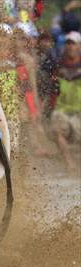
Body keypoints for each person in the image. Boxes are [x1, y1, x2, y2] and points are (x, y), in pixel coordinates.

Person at [49, 31, 81, 171]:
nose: (70, 46)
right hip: (61, 108)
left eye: (72, 43)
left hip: (78, 109)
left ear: (78, 46)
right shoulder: (58, 64)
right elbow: (53, 88)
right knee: (57, 130)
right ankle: (69, 163)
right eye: (67, 43)